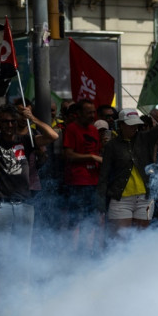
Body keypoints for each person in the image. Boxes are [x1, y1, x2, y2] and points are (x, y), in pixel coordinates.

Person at [0, 103, 59, 266]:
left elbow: (53, 136)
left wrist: (32, 118)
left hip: (24, 205)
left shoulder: (26, 140)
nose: (9, 125)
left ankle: (21, 289)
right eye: (5, 121)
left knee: (23, 254)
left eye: (12, 121)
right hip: (1, 205)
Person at [97, 103, 158, 232]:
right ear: (120, 125)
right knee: (120, 241)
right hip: (120, 199)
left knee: (140, 240)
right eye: (130, 125)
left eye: (136, 124)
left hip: (144, 199)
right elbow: (103, 176)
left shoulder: (145, 138)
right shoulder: (112, 146)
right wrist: (101, 207)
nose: (134, 128)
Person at [61, 101, 103, 249]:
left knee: (91, 219)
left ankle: (86, 250)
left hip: (93, 181)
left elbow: (97, 153)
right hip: (77, 182)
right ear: (79, 114)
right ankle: (72, 251)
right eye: (89, 113)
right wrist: (91, 157)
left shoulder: (94, 130)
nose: (92, 116)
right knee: (75, 220)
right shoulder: (72, 129)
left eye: (93, 112)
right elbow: (68, 154)